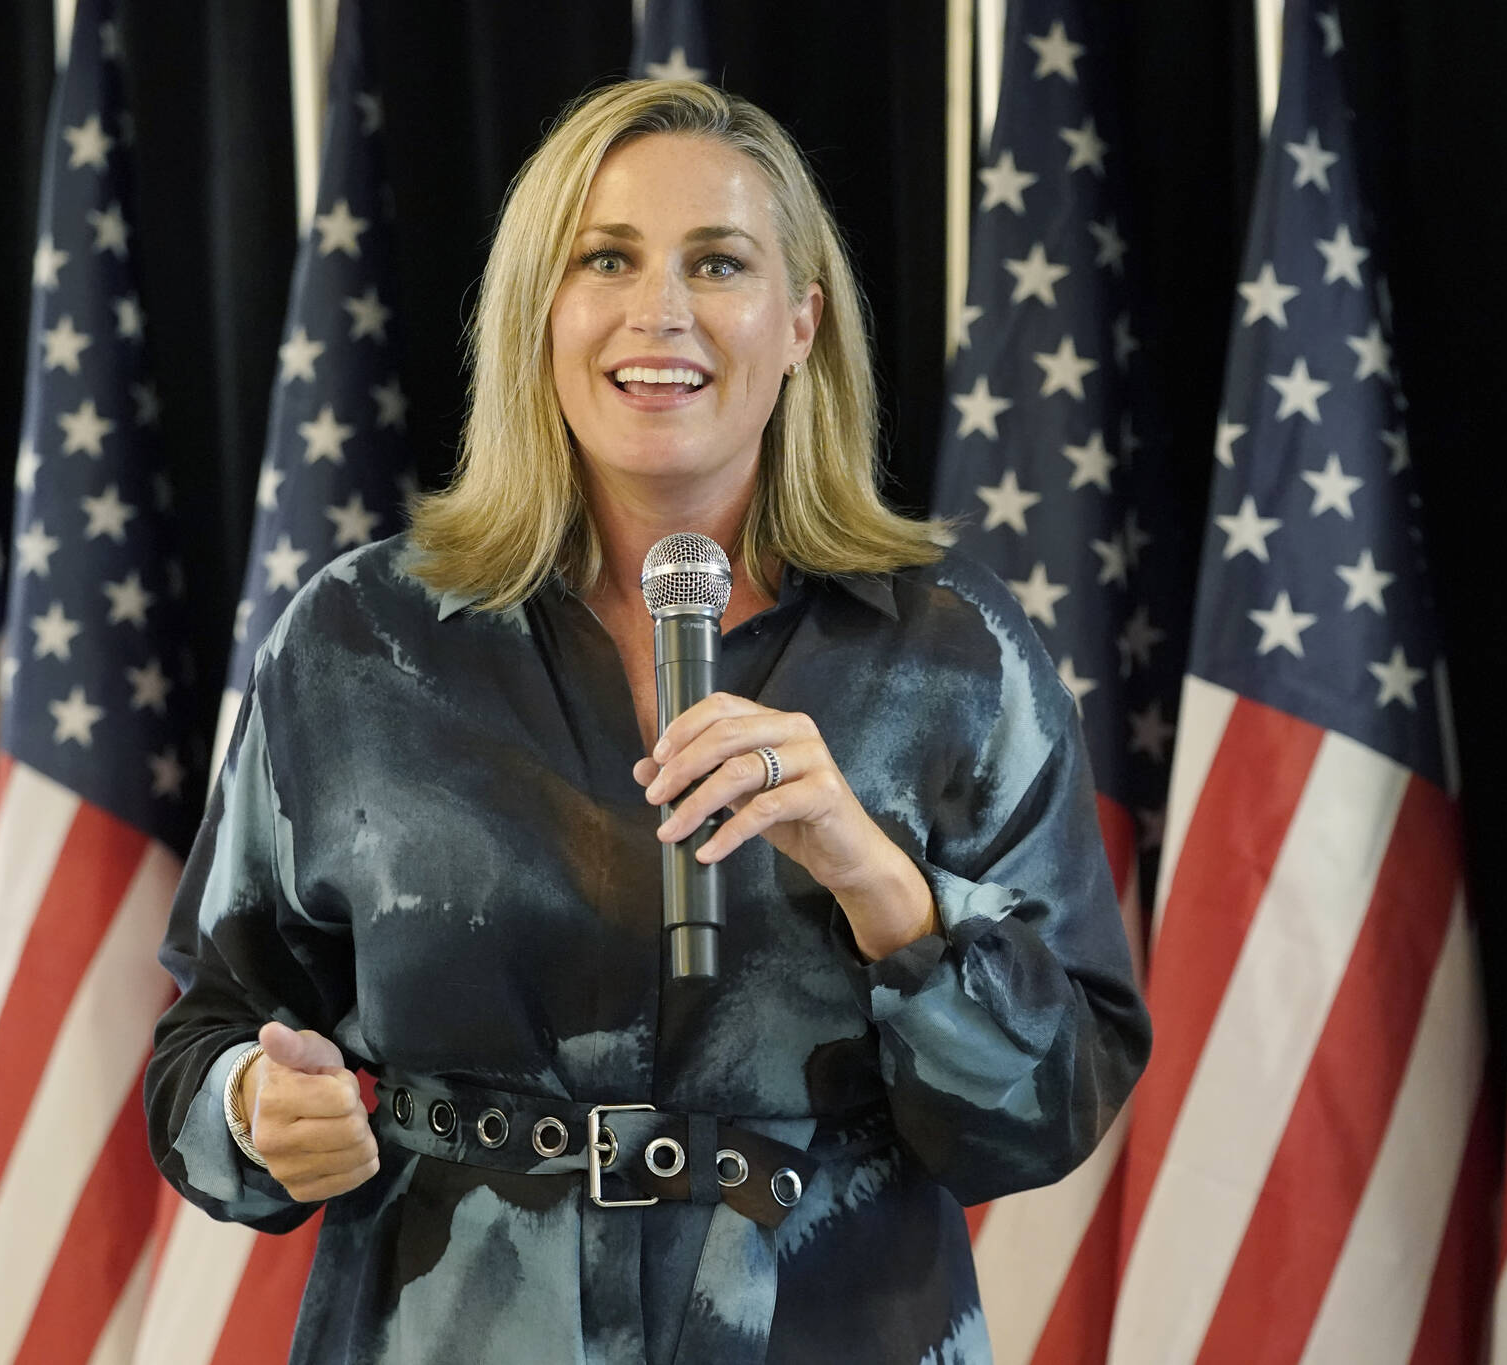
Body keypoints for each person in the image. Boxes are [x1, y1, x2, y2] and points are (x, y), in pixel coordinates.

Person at [145, 78, 1148, 1365]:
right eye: (605, 258)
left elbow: (1051, 1113)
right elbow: (206, 1037)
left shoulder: (952, 650)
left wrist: (878, 884)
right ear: (540, 312)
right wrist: (254, 1110)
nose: (658, 310)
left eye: (716, 262)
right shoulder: (355, 640)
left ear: (799, 321)